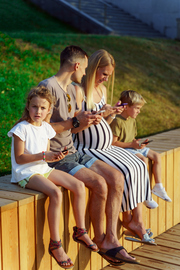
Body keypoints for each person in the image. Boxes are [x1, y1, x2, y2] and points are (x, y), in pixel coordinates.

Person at [39, 45, 139, 266]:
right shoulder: (47, 87)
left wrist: (91, 118)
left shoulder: (72, 90)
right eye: (84, 68)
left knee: (117, 178)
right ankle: (100, 239)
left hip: (74, 151)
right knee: (100, 185)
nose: (85, 73)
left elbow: (73, 128)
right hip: (59, 156)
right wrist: (76, 122)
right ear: (76, 65)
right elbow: (40, 126)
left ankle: (111, 238)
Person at [7, 86, 99, 270]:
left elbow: (46, 152)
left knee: (79, 186)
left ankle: (80, 230)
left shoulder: (46, 128)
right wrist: (44, 156)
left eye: (42, 108)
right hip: (26, 173)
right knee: (55, 193)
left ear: (49, 110)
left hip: (42, 168)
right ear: (28, 107)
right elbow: (20, 158)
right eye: (34, 107)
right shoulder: (21, 129)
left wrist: (54, 155)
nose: (38, 111)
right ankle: (55, 243)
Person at [73, 49, 156, 245]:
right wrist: (99, 114)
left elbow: (103, 120)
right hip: (87, 149)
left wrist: (110, 114)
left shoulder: (101, 91)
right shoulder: (79, 91)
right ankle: (128, 221)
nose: (106, 79)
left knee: (139, 164)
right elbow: (75, 126)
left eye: (108, 75)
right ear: (94, 68)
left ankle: (134, 220)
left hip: (104, 146)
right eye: (104, 74)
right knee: (126, 169)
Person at [110, 90, 171, 203]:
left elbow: (131, 138)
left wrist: (139, 144)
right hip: (122, 150)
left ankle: (158, 186)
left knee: (156, 156)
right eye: (137, 108)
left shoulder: (132, 120)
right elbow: (113, 143)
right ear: (126, 107)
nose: (139, 111)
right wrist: (132, 145)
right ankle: (145, 194)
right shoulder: (117, 121)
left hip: (132, 147)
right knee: (143, 160)